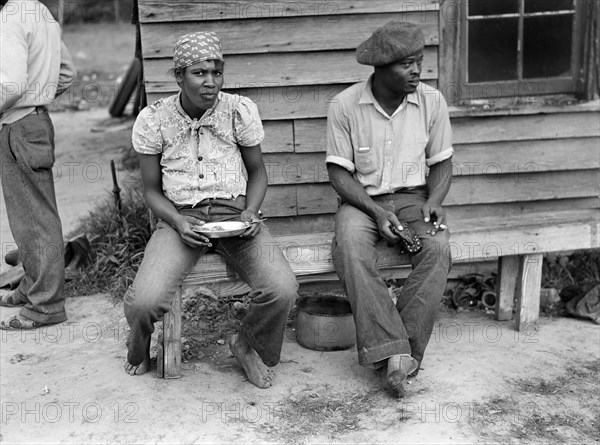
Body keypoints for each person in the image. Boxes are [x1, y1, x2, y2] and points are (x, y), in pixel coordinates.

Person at [125, 31, 298, 388]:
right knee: (144, 302)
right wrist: (175, 220)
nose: (210, 82)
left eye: (216, 73)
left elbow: (258, 173)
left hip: (235, 218)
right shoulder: (155, 119)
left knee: (282, 288)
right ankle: (139, 344)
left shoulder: (238, 111)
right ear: (178, 76)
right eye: (199, 73)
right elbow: (152, 191)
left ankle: (246, 345)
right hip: (180, 220)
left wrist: (251, 211)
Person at [325, 21, 453, 398]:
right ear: (379, 68)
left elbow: (443, 163)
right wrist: (377, 213)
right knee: (349, 246)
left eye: (419, 61)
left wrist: (435, 200)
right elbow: (338, 173)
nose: (416, 71)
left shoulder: (432, 101)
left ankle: (400, 354)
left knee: (439, 249)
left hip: (416, 199)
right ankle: (396, 354)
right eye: (406, 65)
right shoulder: (345, 105)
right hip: (361, 202)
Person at [0, 0, 76, 329]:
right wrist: (40, 97)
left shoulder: (9, 17)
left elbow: (11, 84)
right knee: (27, 215)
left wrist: (26, 99)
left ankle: (46, 305)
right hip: (35, 119)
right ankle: (32, 286)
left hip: (18, 124)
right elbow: (67, 74)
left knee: (36, 217)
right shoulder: (39, 10)